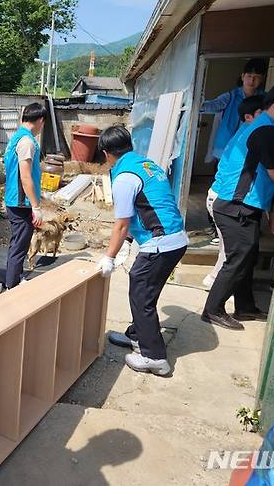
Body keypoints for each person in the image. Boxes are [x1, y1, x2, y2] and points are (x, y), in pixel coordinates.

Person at [202, 81, 274, 330]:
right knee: (238, 257)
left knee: (248, 255)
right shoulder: (266, 132)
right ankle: (212, 309)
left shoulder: (257, 126)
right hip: (236, 205)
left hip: (243, 204)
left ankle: (245, 307)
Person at [96, 125, 188, 376]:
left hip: (161, 243)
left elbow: (122, 223)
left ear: (106, 154)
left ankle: (154, 357)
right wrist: (127, 244)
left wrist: (109, 257)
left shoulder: (124, 177)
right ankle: (137, 335)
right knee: (144, 289)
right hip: (174, 238)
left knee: (141, 294)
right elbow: (146, 207)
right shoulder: (146, 165)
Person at [203, 94, 265, 289]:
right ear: (249, 116)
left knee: (227, 249)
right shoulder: (252, 135)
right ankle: (214, 284)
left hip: (217, 195)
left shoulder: (244, 131)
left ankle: (217, 285)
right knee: (229, 251)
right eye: (264, 114)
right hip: (222, 198)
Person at [202, 58, 267, 243]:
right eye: (249, 76)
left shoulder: (265, 99)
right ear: (242, 77)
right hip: (227, 151)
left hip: (252, 153)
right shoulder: (231, 96)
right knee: (219, 189)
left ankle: (241, 228)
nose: (252, 80)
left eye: (256, 77)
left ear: (261, 78)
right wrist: (198, 102)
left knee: (246, 190)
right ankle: (216, 229)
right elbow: (212, 105)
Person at [4, 102, 47, 289]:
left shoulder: (16, 137)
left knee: (18, 243)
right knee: (20, 246)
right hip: (21, 202)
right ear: (40, 121)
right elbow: (25, 175)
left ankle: (15, 277)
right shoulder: (27, 142)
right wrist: (36, 207)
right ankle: (11, 286)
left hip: (15, 199)